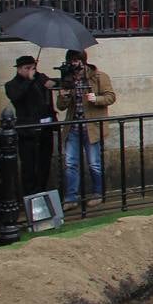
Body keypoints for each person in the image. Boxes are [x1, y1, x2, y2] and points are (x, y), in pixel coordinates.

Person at [55, 49, 116, 207]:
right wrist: (64, 95)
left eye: (75, 61)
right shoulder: (68, 79)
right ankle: (71, 198)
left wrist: (96, 98)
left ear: (83, 61)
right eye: (71, 61)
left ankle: (98, 193)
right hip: (74, 127)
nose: (73, 64)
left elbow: (111, 96)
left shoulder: (98, 77)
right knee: (70, 163)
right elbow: (61, 106)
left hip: (92, 127)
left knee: (94, 162)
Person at [4, 54, 57, 196]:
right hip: (27, 132)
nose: (31, 71)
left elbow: (52, 84)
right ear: (19, 69)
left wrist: (53, 84)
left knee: (44, 164)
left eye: (33, 68)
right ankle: (30, 195)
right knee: (29, 166)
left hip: (45, 130)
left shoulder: (41, 78)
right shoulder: (12, 84)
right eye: (27, 68)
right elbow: (16, 96)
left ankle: (42, 191)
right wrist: (29, 80)